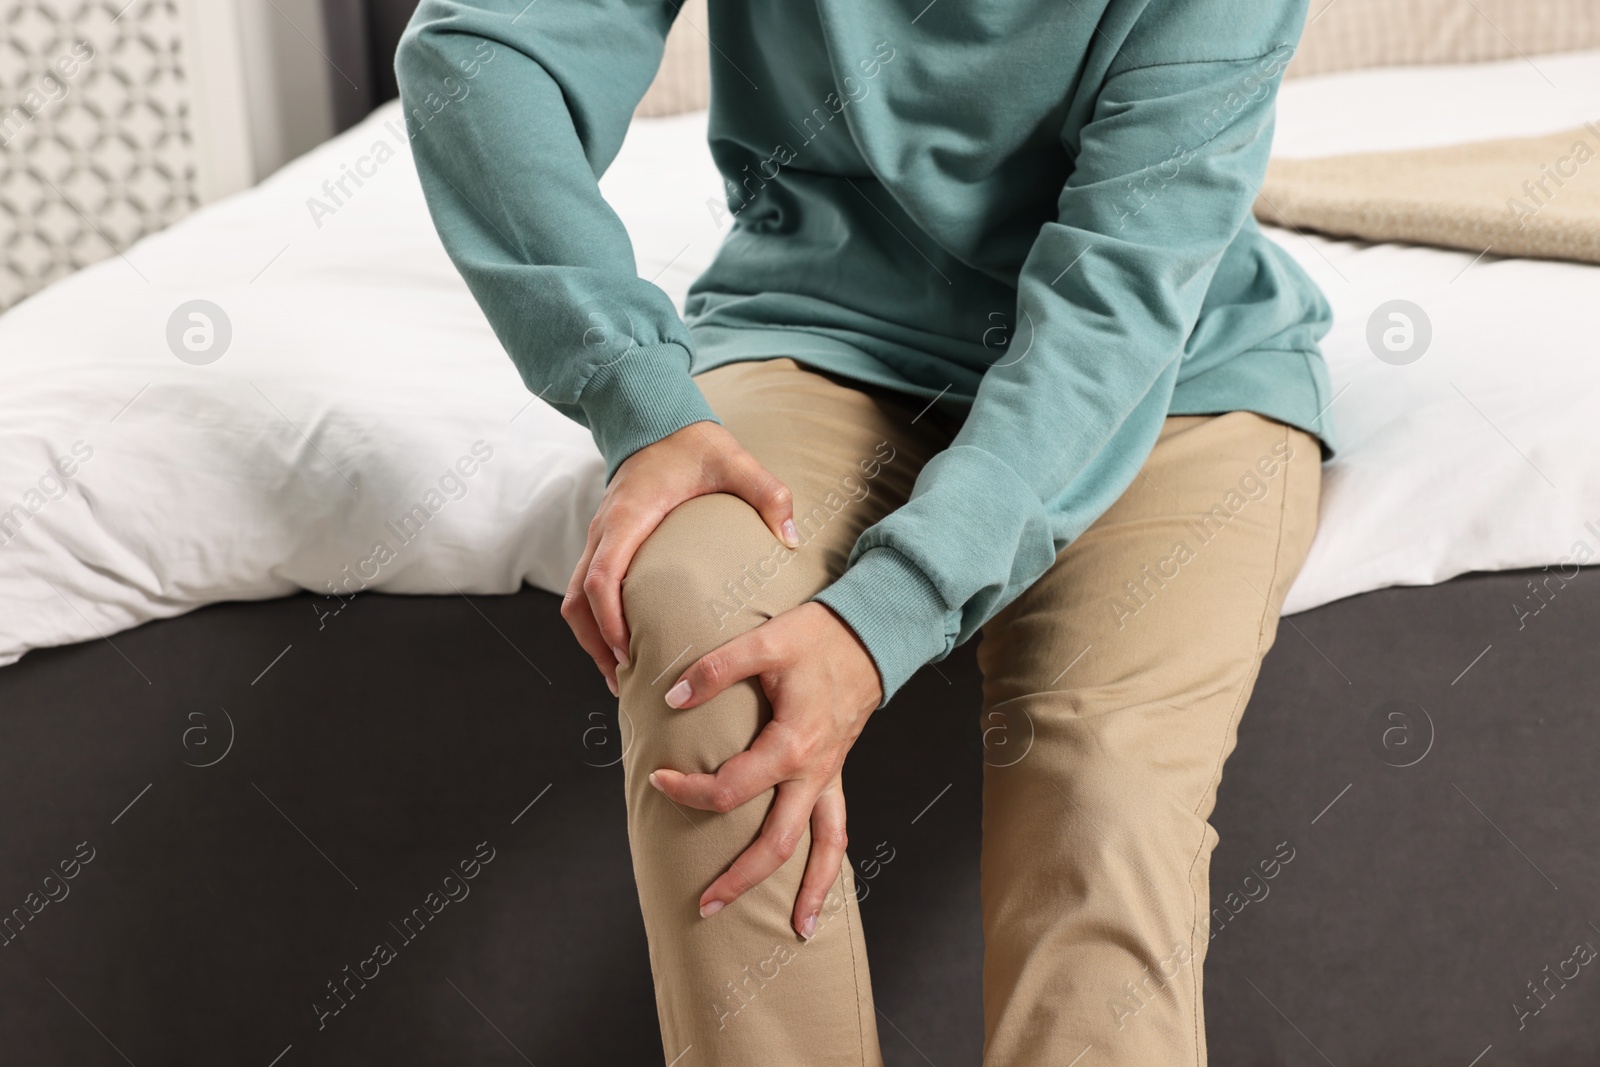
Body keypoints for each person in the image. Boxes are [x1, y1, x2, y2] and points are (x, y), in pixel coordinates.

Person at [397, 0, 1335, 1062]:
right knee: (706, 654)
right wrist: (635, 392)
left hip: (1164, 383)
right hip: (825, 330)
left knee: (1099, 792)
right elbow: (477, 52)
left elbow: (1115, 300)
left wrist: (890, 611)